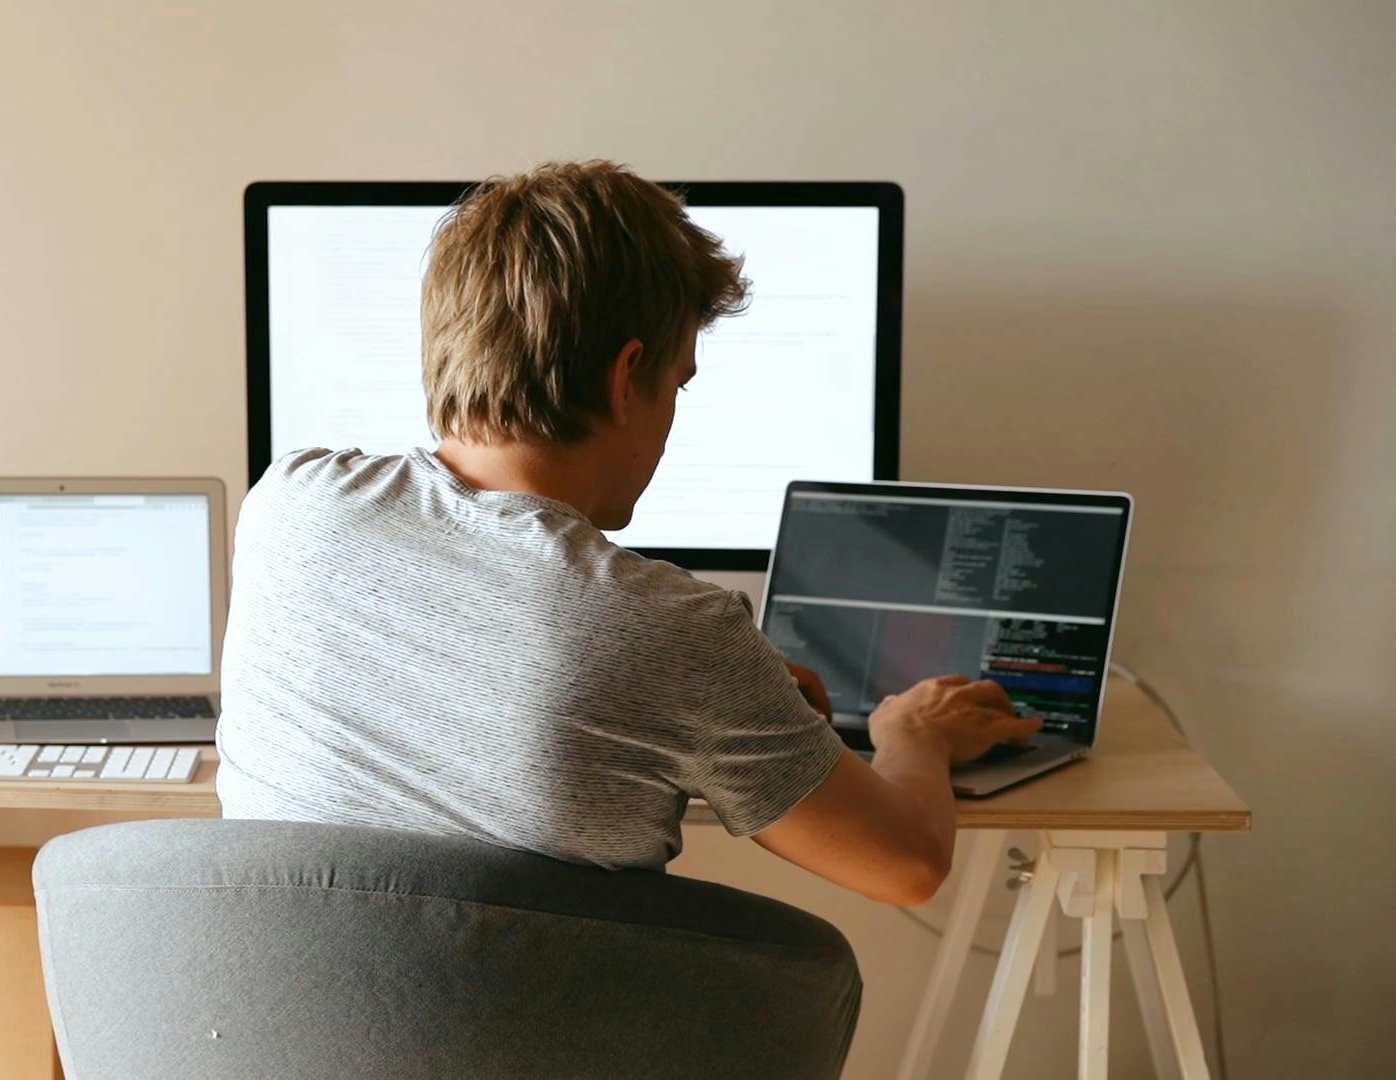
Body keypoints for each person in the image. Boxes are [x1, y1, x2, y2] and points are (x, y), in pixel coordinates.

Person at [215, 160, 1039, 905]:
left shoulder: (291, 502)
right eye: (677, 382)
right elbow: (907, 867)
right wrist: (914, 736)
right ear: (624, 379)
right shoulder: (672, 633)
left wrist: (723, 686)